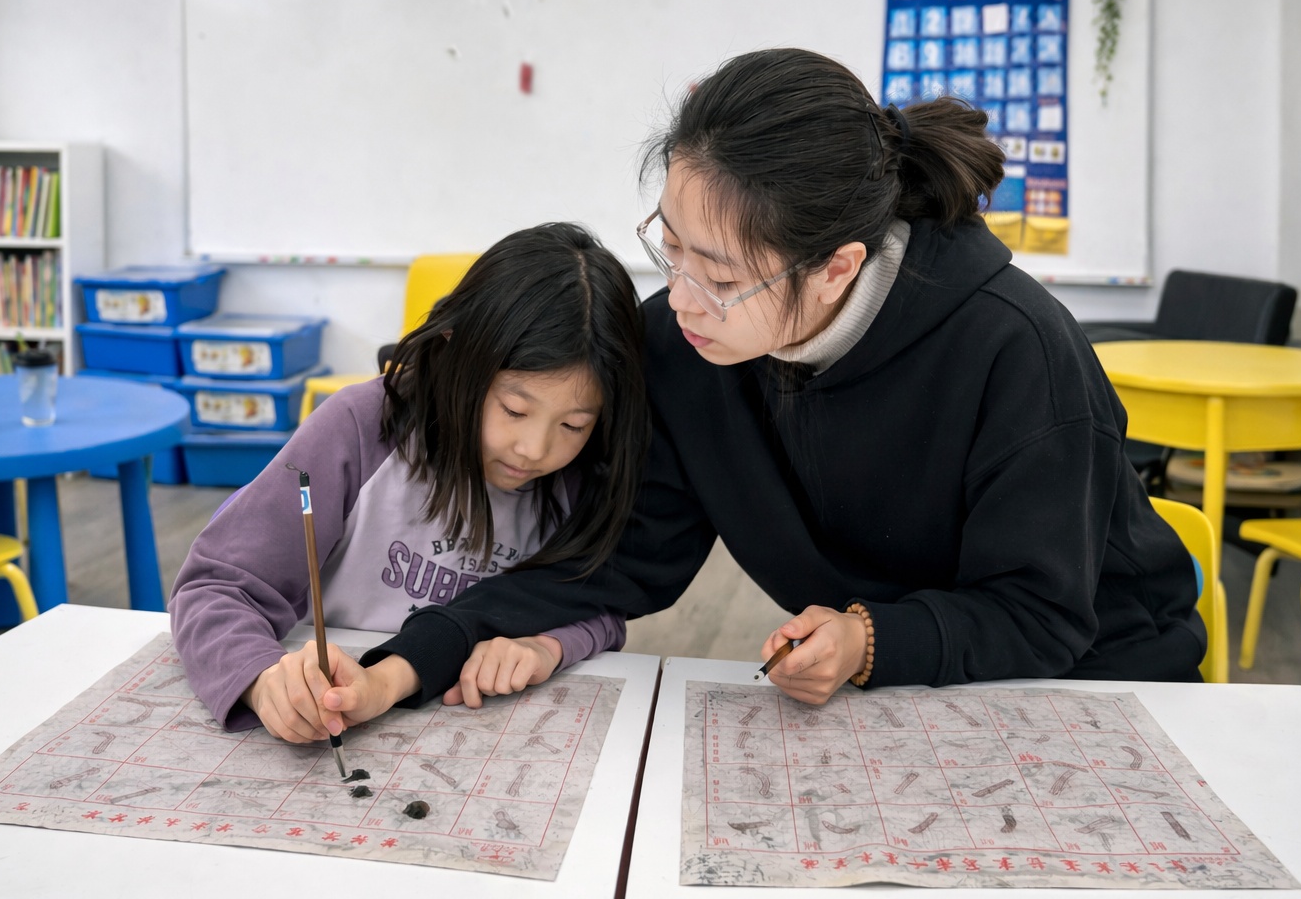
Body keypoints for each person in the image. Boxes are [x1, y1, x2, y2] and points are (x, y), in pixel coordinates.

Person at [358, 47, 1204, 710]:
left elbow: (1041, 612)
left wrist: (872, 641)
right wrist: (413, 658)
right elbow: (625, 560)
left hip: (1095, 686)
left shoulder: (1015, 350)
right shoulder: (687, 344)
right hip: (885, 695)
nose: (680, 300)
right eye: (672, 246)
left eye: (721, 279)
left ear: (837, 268)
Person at [169, 222, 648, 741]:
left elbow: (601, 607)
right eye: (514, 409)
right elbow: (215, 587)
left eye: (574, 424)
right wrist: (261, 680)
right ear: (454, 353)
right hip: (335, 718)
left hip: (480, 734)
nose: (534, 449)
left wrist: (548, 645)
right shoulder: (360, 427)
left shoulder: (582, 470)